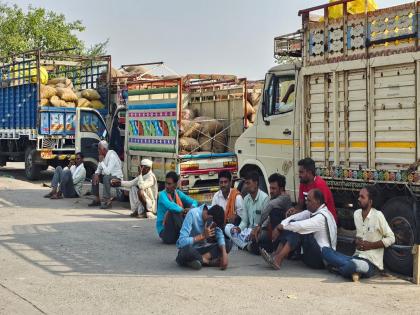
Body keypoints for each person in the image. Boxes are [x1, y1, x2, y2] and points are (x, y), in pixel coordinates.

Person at [322, 186, 395, 282]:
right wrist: (357, 241)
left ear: (370, 201)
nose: (358, 199)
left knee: (353, 265)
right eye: (359, 196)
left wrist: (371, 245)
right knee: (325, 251)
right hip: (356, 256)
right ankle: (348, 269)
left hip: (370, 263)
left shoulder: (378, 215)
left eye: (362, 197)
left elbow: (391, 238)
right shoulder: (356, 214)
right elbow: (359, 236)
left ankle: (341, 269)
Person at [261, 189, 337, 270]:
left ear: (317, 201)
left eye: (309, 200)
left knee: (298, 229)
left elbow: (300, 226)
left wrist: (281, 227)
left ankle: (278, 259)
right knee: (292, 223)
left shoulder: (321, 217)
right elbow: (294, 217)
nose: (306, 202)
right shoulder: (314, 212)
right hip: (315, 254)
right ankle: (276, 255)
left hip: (321, 260)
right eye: (306, 200)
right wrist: (280, 226)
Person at [176, 204, 231, 270]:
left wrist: (224, 253)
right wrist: (202, 236)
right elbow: (181, 242)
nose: (213, 228)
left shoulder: (214, 211)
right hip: (191, 249)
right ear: (210, 218)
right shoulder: (192, 214)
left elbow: (220, 235)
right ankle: (207, 262)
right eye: (214, 226)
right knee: (186, 250)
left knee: (227, 243)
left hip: (203, 249)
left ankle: (198, 260)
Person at [248, 173, 292, 254]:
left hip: (284, 233)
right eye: (270, 188)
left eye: (274, 188)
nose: (271, 191)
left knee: (274, 212)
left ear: (281, 189)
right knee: (255, 239)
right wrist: (260, 229)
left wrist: (259, 225)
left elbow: (270, 206)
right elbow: (268, 218)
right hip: (271, 232)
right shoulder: (274, 197)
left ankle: (276, 249)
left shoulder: (285, 198)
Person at [224, 171, 269, 250]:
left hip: (259, 230)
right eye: (245, 183)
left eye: (248, 183)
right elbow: (245, 221)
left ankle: (244, 244)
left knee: (260, 237)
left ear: (255, 183)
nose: (246, 186)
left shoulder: (265, 198)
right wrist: (239, 229)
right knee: (228, 228)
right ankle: (246, 246)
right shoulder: (246, 198)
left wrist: (256, 230)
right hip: (247, 232)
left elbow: (266, 222)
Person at [287, 158, 338, 222]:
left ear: (309, 172)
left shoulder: (320, 184)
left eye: (301, 172)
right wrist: (294, 210)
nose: (299, 175)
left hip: (327, 220)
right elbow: (300, 204)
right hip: (313, 216)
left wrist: (299, 215)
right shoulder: (303, 183)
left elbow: (320, 210)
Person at [156, 171, 198, 244]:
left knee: (198, 206)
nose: (166, 186)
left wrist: (191, 208)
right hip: (165, 231)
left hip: (176, 230)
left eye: (169, 184)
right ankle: (188, 234)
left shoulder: (178, 193)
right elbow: (170, 205)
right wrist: (183, 210)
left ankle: (190, 233)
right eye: (166, 183)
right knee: (173, 211)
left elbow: (194, 202)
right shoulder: (162, 194)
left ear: (175, 185)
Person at [89, 140, 123, 209]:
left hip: (116, 178)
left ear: (104, 149)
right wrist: (96, 174)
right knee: (94, 176)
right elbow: (98, 169)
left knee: (106, 177)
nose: (98, 150)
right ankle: (97, 199)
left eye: (99, 149)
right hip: (108, 177)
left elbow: (107, 172)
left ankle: (108, 201)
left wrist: (101, 162)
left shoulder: (112, 156)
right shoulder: (102, 156)